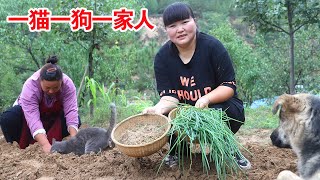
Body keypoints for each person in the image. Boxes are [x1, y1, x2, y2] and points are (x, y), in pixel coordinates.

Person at [143, 2, 251, 170]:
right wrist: (157, 109)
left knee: (228, 111)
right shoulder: (163, 58)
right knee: (166, 117)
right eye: (173, 25)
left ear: (194, 21)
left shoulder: (213, 47)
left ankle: (227, 146)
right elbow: (169, 98)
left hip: (215, 107)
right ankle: (178, 150)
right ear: (166, 30)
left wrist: (206, 99)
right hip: (183, 112)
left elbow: (228, 87)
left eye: (185, 22)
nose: (180, 29)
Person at [0, 55, 81, 153]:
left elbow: (71, 112)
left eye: (55, 88)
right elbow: (32, 118)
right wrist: (45, 145)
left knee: (77, 119)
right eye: (47, 88)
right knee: (8, 118)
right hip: (27, 121)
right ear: (40, 81)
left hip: (52, 118)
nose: (51, 91)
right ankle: (16, 147)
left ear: (61, 81)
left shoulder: (68, 85)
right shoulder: (30, 86)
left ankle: (55, 140)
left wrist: (74, 140)